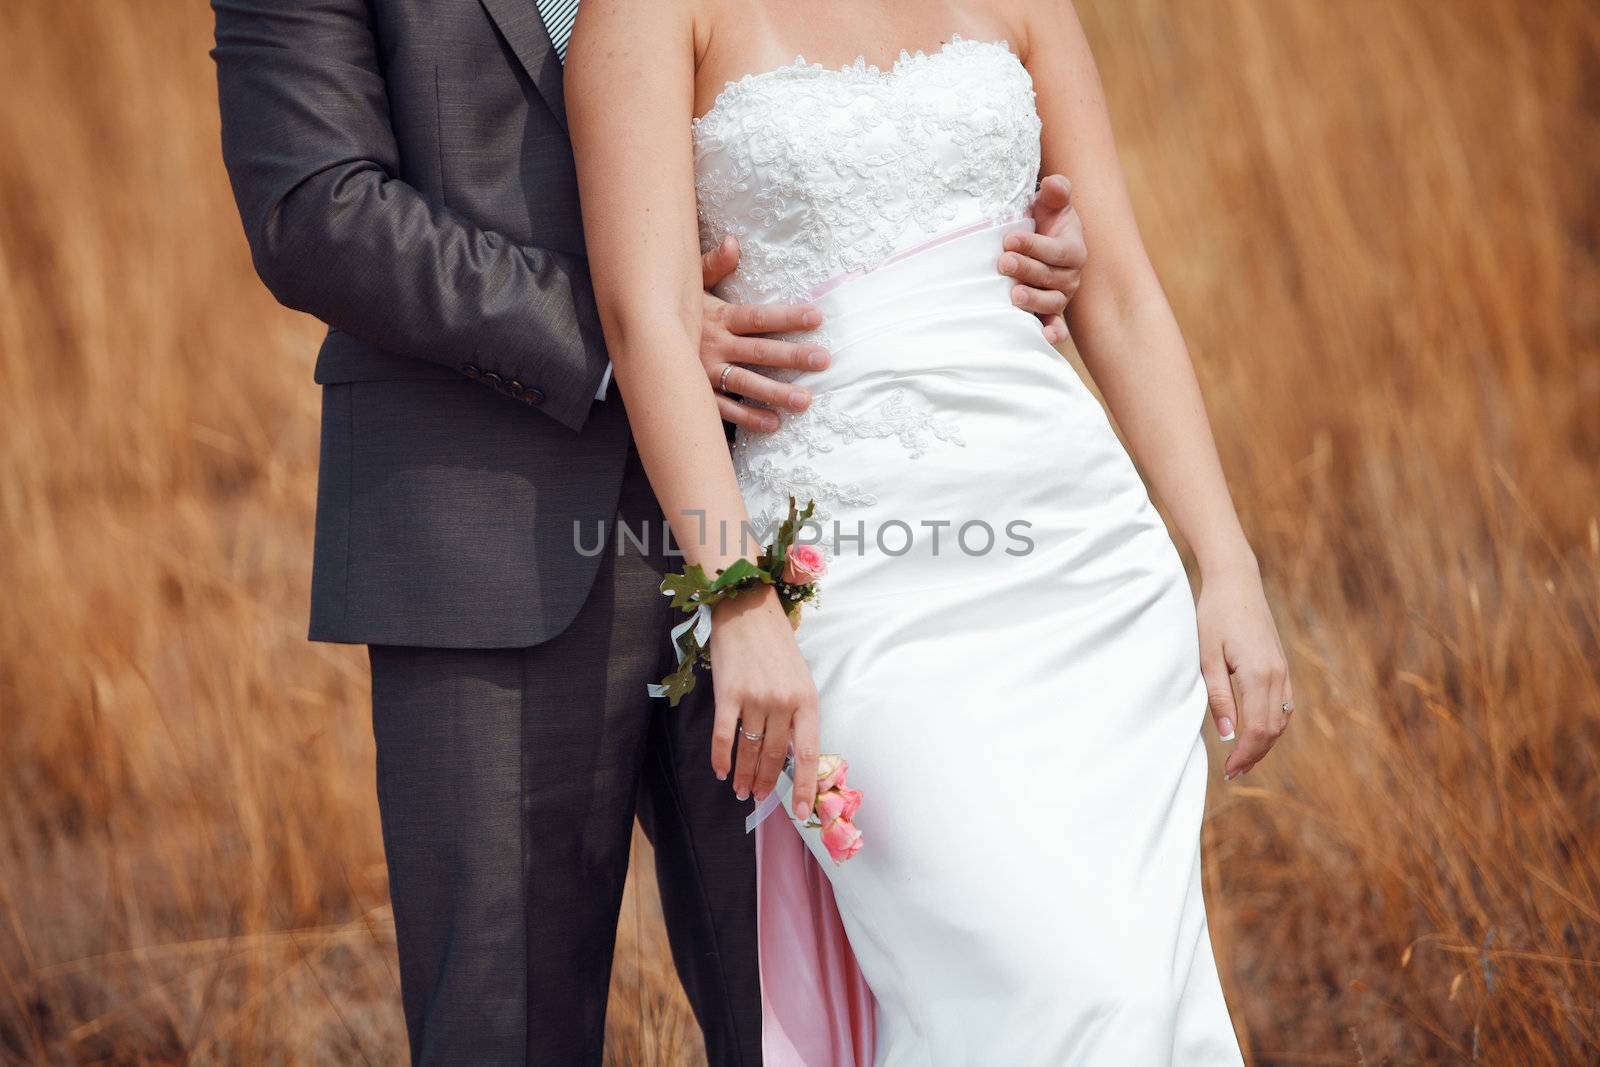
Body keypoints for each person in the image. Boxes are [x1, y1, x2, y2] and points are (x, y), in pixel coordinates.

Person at [208, 0, 1086, 1061]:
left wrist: (998, 230)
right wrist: (637, 334)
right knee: (505, 1027)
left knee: (825, 1013)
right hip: (486, 536)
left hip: (798, 508)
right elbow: (316, 210)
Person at [566, 0, 1294, 1062]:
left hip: (1086, 561)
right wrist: (737, 594)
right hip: (867, 585)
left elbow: (1122, 291)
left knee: (1135, 992)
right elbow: (649, 321)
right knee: (1035, 978)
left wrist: (1226, 563)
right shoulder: (644, 14)